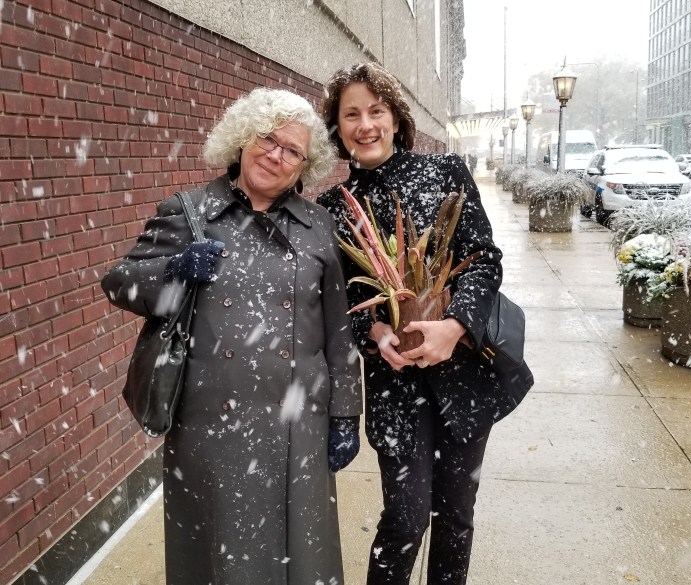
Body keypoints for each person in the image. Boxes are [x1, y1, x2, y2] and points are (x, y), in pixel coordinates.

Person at [101, 88, 363, 585]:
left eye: (293, 150)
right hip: (210, 422)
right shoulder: (189, 213)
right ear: (242, 139)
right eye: (267, 138)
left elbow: (339, 333)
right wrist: (174, 272)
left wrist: (346, 413)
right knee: (220, 556)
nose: (276, 155)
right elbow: (119, 284)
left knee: (301, 557)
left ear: (304, 167)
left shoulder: (319, 227)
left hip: (299, 424)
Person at [317, 62, 524, 585]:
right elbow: (337, 300)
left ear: (395, 117)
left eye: (376, 111)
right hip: (394, 384)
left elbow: (483, 258)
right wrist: (375, 334)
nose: (366, 124)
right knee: (405, 518)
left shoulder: (445, 172)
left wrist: (455, 326)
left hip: (464, 376)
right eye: (352, 115)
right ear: (337, 128)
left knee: (455, 517)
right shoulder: (331, 210)